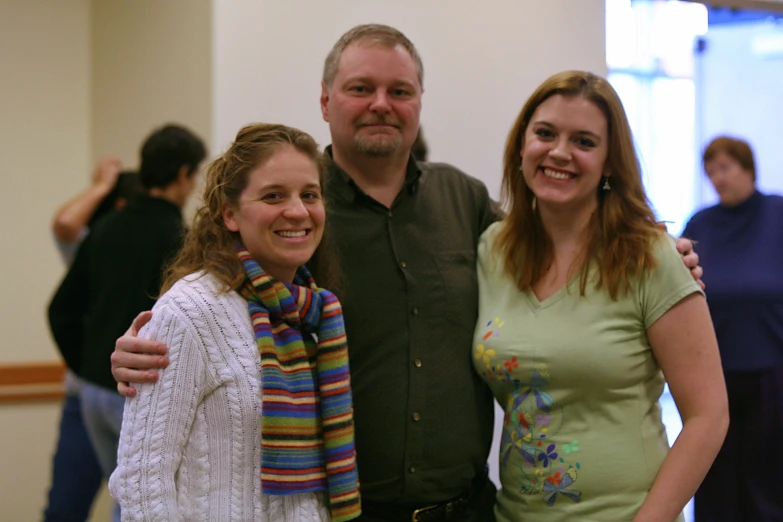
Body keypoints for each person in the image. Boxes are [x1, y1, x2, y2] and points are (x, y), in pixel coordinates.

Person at [109, 25, 703, 522]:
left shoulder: (465, 204)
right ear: (325, 101)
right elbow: (216, 296)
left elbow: (559, 242)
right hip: (346, 510)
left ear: (420, 101)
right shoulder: (299, 209)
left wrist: (659, 251)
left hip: (471, 509)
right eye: (360, 88)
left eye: (400, 90)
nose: (380, 104)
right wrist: (144, 347)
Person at [473, 70, 728, 522]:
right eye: (545, 133)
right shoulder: (492, 250)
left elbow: (708, 416)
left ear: (610, 162)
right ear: (521, 145)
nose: (559, 152)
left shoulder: (650, 257)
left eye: (584, 142)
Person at [107, 123, 360, 521]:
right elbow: (142, 484)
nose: (297, 210)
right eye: (273, 195)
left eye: (309, 194)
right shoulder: (189, 311)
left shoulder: (316, 315)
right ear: (230, 214)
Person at [48, 124, 206, 522]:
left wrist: (89, 366)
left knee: (114, 501)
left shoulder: (105, 228)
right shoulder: (179, 240)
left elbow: (60, 309)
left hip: (91, 394)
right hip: (138, 392)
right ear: (185, 174)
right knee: (136, 507)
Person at [683, 136, 783, 521]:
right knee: (715, 476)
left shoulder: (776, 214)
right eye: (710, 172)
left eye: (724, 168)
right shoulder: (701, 223)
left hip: (771, 370)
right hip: (714, 373)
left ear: (747, 168)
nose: (717, 179)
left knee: (768, 476)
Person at [45, 156, 142, 522]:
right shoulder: (96, 245)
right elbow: (66, 224)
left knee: (129, 507)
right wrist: (102, 185)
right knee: (65, 509)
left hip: (129, 397)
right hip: (85, 394)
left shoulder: (151, 248)